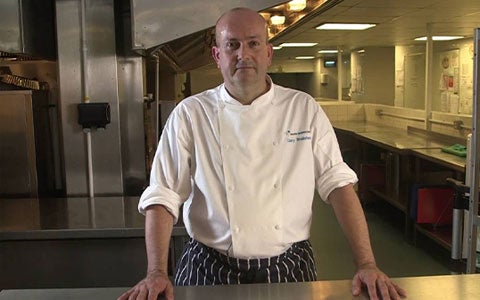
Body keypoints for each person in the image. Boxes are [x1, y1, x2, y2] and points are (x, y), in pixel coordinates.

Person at [118, 7, 407, 300]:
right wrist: (156, 271)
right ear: (218, 56)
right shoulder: (190, 114)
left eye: (253, 43)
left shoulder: (302, 109)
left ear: (268, 53)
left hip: (290, 265)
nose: (243, 54)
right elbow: (163, 195)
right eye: (232, 45)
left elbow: (338, 185)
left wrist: (367, 263)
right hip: (208, 265)